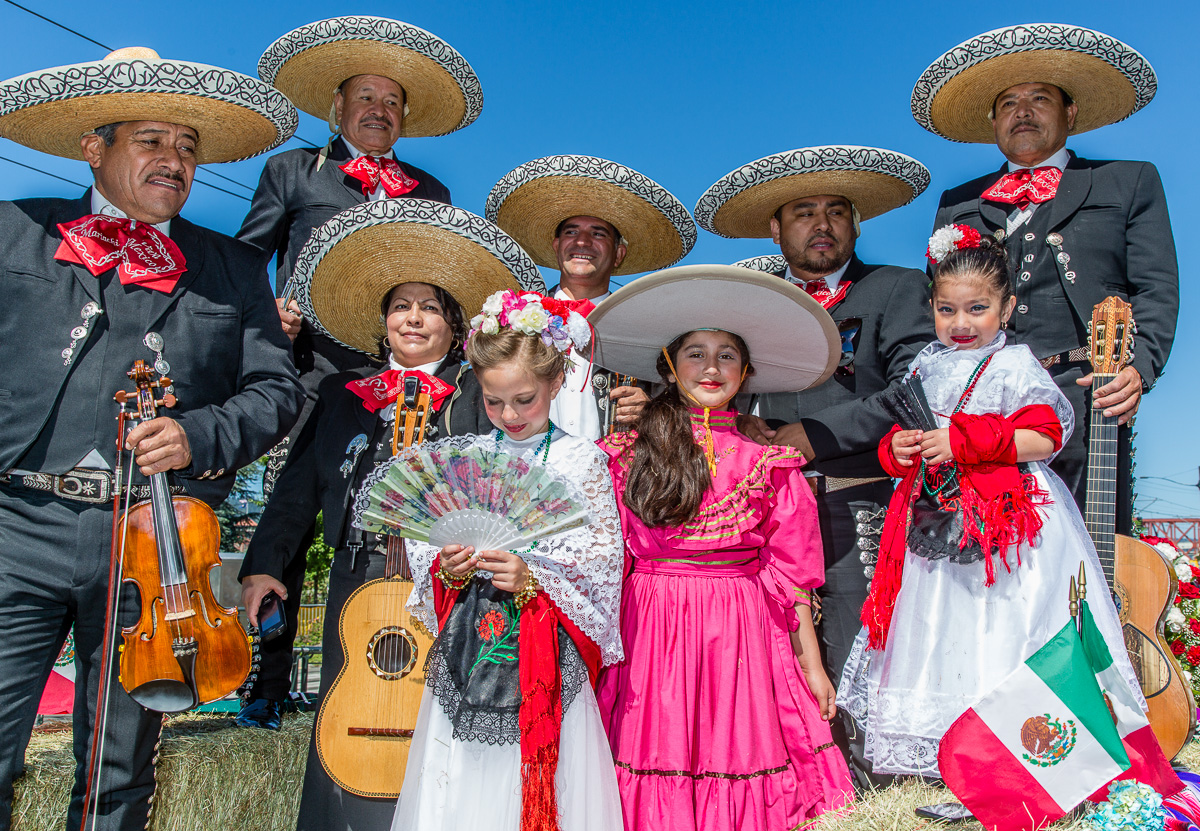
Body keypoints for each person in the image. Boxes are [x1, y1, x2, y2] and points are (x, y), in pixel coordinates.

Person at [0, 48, 302, 831]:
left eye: (188, 147)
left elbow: (277, 394)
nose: (175, 160)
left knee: (120, 770)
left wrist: (200, 432)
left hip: (154, 547)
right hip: (14, 525)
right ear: (94, 147)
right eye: (152, 141)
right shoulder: (12, 232)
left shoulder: (235, 268)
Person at [238, 199, 544, 831]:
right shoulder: (338, 394)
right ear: (382, 320)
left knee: (441, 740)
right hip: (356, 579)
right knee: (348, 727)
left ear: (455, 327)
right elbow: (295, 492)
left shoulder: (476, 397)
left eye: (430, 306)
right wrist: (263, 566)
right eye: (401, 304)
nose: (413, 316)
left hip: (453, 588)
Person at [236, 15, 484, 727]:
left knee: (415, 512)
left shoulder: (430, 191)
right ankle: (268, 676)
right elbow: (247, 260)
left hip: (414, 372)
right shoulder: (293, 171)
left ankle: (415, 665)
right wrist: (267, 311)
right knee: (298, 499)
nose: (379, 111)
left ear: (404, 118)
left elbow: (444, 282)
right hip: (319, 370)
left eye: (392, 102)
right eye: (365, 98)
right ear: (338, 107)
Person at [838, 227, 1143, 782]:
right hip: (936, 525)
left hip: (1007, 527)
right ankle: (949, 752)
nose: (961, 323)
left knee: (1003, 621)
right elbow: (905, 436)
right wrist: (898, 448)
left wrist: (963, 441)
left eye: (977, 308)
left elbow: (1046, 438)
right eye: (947, 309)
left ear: (1006, 308)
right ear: (931, 308)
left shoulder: (1015, 365)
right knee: (940, 627)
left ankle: (1022, 746)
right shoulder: (923, 369)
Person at [693, 146, 934, 784]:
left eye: (835, 211)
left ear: (857, 224)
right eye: (802, 212)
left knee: (860, 648)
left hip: (859, 502)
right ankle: (787, 790)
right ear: (775, 229)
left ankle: (873, 792)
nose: (820, 224)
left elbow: (917, 390)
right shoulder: (746, 307)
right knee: (767, 652)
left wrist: (810, 435)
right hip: (757, 517)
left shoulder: (899, 289)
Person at [589, 264, 853, 829]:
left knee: (737, 742)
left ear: (747, 371)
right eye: (696, 354)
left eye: (727, 355)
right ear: (669, 365)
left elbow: (790, 580)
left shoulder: (770, 462)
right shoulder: (624, 454)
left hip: (740, 628)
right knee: (655, 741)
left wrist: (811, 666)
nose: (712, 367)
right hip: (650, 628)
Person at [913, 23, 1177, 532]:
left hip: (1086, 388)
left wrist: (1139, 368)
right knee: (983, 546)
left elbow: (1157, 288)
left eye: (1040, 97)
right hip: (982, 401)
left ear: (1070, 112)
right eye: (1009, 102)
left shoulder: (1128, 180)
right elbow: (941, 305)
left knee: (1089, 547)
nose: (1024, 111)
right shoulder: (958, 202)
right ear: (994, 120)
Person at [391, 289, 625, 830]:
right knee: (458, 780)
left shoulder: (581, 460)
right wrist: (445, 568)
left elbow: (600, 565)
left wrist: (533, 575)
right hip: (469, 644)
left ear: (556, 382)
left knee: (535, 778)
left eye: (524, 399)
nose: (508, 414)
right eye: (494, 401)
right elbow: (431, 549)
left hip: (546, 654)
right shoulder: (470, 457)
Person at [485, 155, 697, 439]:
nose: (582, 242)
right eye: (572, 232)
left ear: (619, 254)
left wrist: (651, 410)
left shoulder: (646, 327)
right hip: (528, 471)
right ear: (557, 246)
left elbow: (681, 402)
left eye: (598, 234)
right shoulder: (515, 318)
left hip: (615, 476)